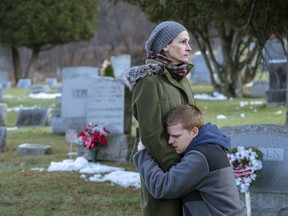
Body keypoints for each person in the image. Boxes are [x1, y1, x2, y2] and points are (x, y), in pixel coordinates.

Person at [122, 21, 195, 215]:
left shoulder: (181, 77)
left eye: (188, 42)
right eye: (182, 42)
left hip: (188, 168)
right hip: (164, 172)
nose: (189, 47)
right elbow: (151, 134)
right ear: (165, 46)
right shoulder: (148, 81)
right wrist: (178, 169)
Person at [133, 104, 246, 216]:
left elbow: (162, 187)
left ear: (194, 132)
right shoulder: (210, 147)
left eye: (176, 136)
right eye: (169, 136)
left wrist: (143, 155)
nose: (170, 141)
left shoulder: (201, 157)